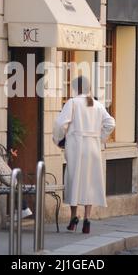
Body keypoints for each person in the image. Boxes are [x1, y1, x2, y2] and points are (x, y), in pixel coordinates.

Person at [53, 76, 115, 234]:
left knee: (75, 180)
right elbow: (110, 123)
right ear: (88, 88)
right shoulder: (96, 104)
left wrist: (60, 139)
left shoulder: (72, 103)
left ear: (76, 88)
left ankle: (73, 217)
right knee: (90, 183)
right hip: (93, 147)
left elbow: (61, 123)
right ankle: (87, 219)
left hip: (76, 146)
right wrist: (98, 137)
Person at [8, 112, 32, 219]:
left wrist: (10, 148)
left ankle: (23, 207)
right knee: (13, 182)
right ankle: (23, 207)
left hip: (0, 156)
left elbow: (8, 128)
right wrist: (11, 148)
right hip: (2, 154)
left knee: (13, 182)